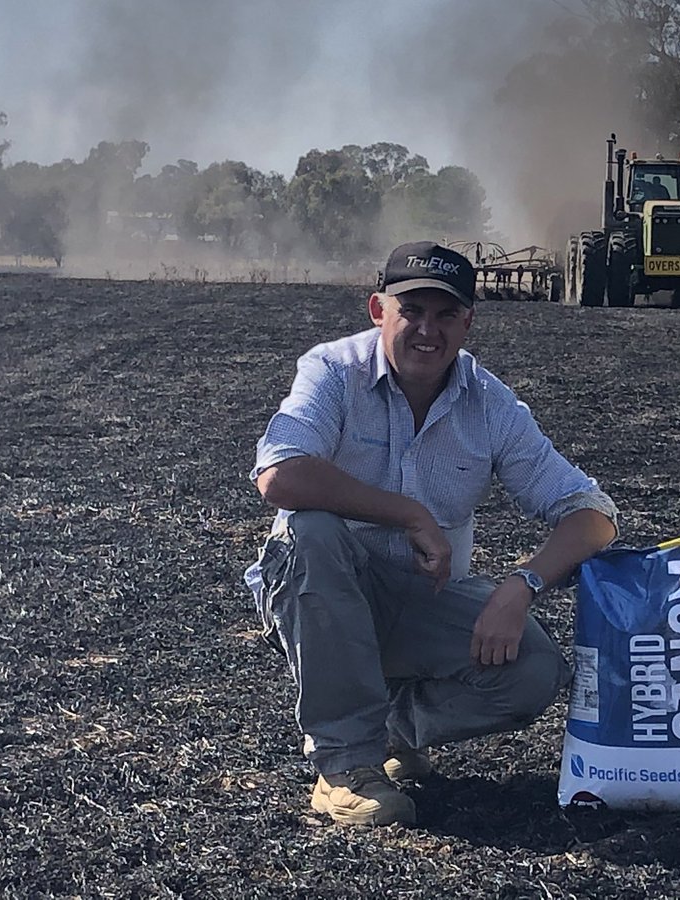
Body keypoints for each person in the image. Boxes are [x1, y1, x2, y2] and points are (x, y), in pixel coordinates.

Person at [244, 240, 618, 827]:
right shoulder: (332, 371)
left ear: (468, 320)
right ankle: (342, 767)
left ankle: (388, 732)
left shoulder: (491, 403)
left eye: (446, 314)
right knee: (312, 530)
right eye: (411, 311)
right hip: (324, 596)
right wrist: (410, 515)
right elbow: (279, 474)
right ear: (378, 310)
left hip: (426, 599)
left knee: (534, 670)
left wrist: (521, 585)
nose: (428, 330)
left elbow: (592, 514)